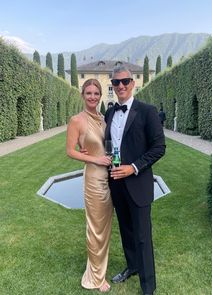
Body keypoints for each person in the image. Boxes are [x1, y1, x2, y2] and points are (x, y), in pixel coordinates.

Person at [104, 65, 165, 295]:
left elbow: (159, 148)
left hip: (137, 183)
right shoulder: (110, 113)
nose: (120, 86)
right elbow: (110, 144)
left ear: (133, 83)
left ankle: (148, 287)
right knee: (127, 230)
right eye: (116, 83)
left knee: (142, 236)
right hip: (116, 182)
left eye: (125, 81)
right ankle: (132, 266)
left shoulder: (147, 111)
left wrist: (134, 167)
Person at [66, 79, 113, 292]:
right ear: (82, 95)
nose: (93, 97)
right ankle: (95, 278)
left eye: (96, 93)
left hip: (111, 177)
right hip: (94, 179)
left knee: (105, 227)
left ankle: (99, 269)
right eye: (89, 93)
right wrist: (94, 159)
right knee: (95, 228)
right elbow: (70, 150)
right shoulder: (77, 120)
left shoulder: (104, 119)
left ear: (100, 95)